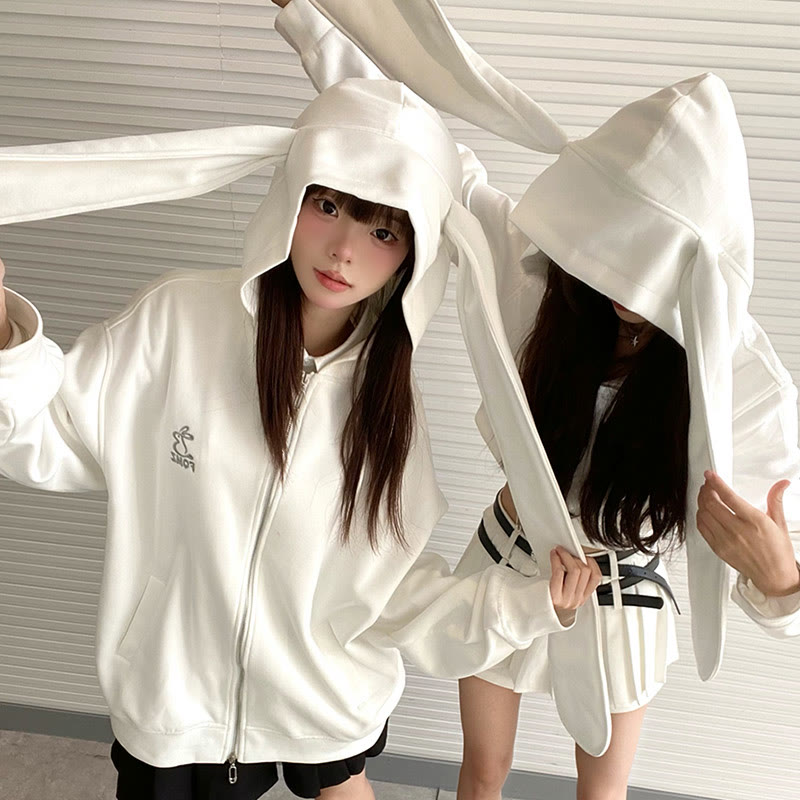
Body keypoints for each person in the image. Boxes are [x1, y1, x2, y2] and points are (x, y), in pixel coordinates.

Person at [0, 77, 601, 800]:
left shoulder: (388, 405)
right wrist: (5, 339)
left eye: (383, 231)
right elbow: (47, 436)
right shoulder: (176, 321)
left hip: (323, 695)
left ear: (412, 255)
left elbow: (392, 591)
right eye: (329, 206)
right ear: (293, 194)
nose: (344, 250)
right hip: (177, 702)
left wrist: (530, 606)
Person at [272, 2, 800, 797]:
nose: (625, 286)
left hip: (623, 593)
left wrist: (784, 585)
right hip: (507, 563)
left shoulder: (743, 387)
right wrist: (311, 22)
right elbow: (423, 153)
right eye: (615, 247)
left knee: (600, 793)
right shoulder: (543, 285)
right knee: (483, 775)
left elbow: (770, 574)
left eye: (651, 264)